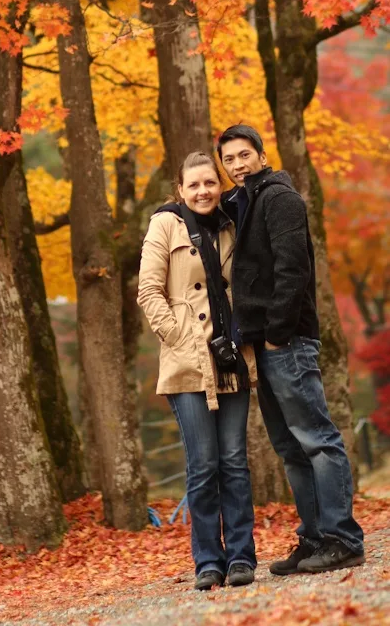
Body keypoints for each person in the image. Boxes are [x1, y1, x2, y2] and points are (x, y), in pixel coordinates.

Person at [217, 124, 365, 575]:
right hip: (262, 342)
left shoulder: (280, 199)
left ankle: (343, 538)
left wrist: (279, 332)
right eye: (229, 159)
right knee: (289, 446)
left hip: (287, 339)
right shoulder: (243, 202)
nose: (237, 165)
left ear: (262, 155)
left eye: (245, 155)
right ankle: (315, 536)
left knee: (317, 440)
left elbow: (293, 269)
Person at [138, 151, 257, 591]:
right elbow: (149, 291)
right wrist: (181, 339)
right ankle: (208, 559)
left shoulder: (231, 224)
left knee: (234, 462)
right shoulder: (165, 225)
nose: (203, 191)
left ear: (218, 185)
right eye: (195, 185)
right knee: (203, 464)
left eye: (210, 183)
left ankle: (242, 556)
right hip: (188, 362)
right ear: (181, 189)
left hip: (231, 359)